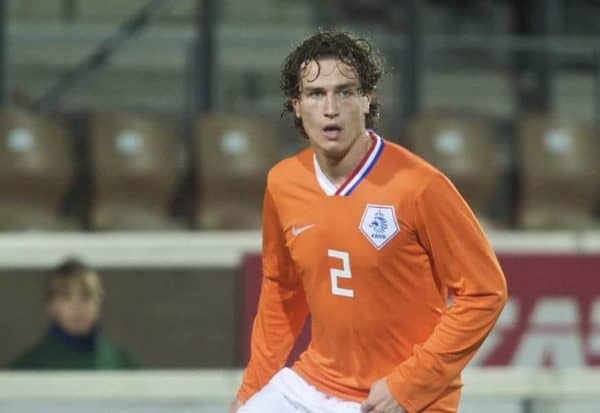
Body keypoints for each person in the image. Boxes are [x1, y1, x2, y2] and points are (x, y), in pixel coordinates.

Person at [230, 30, 507, 413]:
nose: (331, 108)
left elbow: (485, 292)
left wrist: (410, 384)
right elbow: (282, 291)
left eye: (345, 92)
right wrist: (254, 388)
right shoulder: (283, 183)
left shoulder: (419, 185)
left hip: (403, 398)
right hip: (312, 386)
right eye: (315, 94)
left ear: (367, 100)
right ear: (296, 105)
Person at [9, 258, 139, 370]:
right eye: (66, 296)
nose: (77, 306)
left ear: (99, 302)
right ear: (51, 305)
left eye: (86, 295)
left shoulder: (122, 363)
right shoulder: (29, 367)